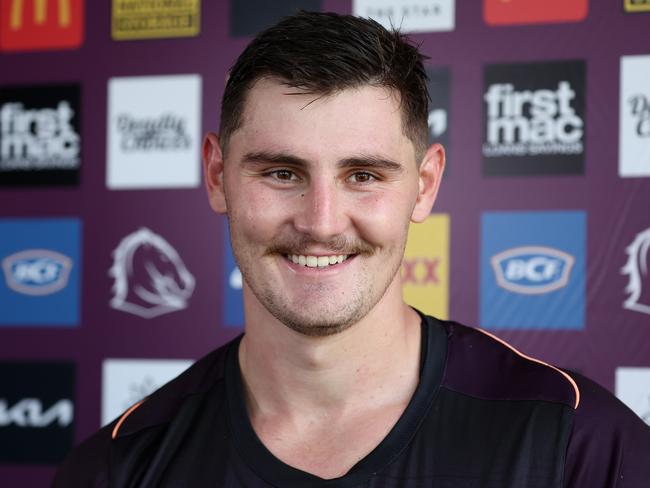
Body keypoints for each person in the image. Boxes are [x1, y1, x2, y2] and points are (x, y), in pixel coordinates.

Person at [54, 11, 650, 487]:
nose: (321, 222)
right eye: (282, 173)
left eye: (363, 175)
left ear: (424, 186)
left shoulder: (578, 445)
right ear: (216, 174)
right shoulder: (118, 468)